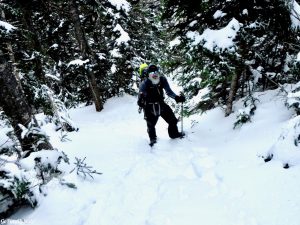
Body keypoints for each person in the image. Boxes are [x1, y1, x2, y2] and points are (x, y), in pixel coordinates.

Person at [137, 64, 186, 146]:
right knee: (151, 125)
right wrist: (141, 101)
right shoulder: (144, 83)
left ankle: (174, 134)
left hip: (161, 104)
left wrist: (177, 98)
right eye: (152, 72)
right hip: (149, 106)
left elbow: (168, 91)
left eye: (156, 72)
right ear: (148, 73)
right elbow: (140, 97)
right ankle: (153, 140)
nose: (154, 74)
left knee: (172, 120)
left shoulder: (162, 79)